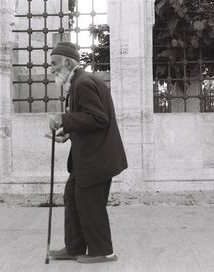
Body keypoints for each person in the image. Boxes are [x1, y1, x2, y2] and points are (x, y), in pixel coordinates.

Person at [47, 41, 128, 264]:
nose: (52, 68)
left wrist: (62, 118)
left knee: (90, 204)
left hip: (96, 159)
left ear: (68, 62)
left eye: (54, 63)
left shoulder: (83, 83)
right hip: (90, 158)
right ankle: (74, 248)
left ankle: (103, 251)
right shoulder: (80, 82)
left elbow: (98, 118)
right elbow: (90, 119)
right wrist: (68, 132)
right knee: (73, 197)